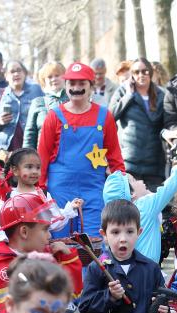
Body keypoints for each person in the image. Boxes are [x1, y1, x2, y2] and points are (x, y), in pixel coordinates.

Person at [37, 62, 125, 237]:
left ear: (91, 86)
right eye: (72, 83)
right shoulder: (54, 116)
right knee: (61, 242)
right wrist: (38, 190)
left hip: (93, 189)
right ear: (66, 86)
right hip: (60, 190)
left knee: (93, 242)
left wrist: (122, 188)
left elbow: (115, 156)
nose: (76, 87)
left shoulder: (105, 116)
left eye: (82, 83)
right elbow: (42, 156)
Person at [0, 193, 83, 313]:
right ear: (24, 232)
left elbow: (70, 296)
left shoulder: (48, 259)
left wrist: (69, 259)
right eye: (45, 229)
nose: (49, 235)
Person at [102, 143, 177, 263]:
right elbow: (168, 188)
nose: (141, 181)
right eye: (134, 180)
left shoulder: (115, 216)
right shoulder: (144, 206)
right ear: (132, 194)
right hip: (147, 270)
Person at [0, 148, 82, 243]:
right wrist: (4, 241)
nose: (35, 171)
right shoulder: (8, 197)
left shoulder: (43, 195)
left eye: (38, 167)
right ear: (15, 170)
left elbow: (53, 222)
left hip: (40, 248)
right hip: (15, 249)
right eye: (29, 167)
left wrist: (70, 209)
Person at [109, 58, 168, 191]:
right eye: (136, 72)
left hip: (155, 163)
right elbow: (110, 116)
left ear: (150, 73)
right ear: (132, 75)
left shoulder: (161, 94)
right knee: (131, 206)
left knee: (154, 205)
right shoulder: (122, 91)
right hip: (130, 161)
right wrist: (129, 96)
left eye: (145, 71)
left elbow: (169, 121)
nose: (141, 75)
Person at [0, 60, 44, 153]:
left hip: (31, 146)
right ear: (6, 76)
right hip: (4, 149)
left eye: (19, 70)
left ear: (24, 73)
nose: (16, 74)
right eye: (12, 72)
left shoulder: (36, 90)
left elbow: (46, 113)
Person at [24, 62, 69, 149]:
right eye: (50, 77)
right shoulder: (38, 102)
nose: (54, 79)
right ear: (44, 80)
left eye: (57, 75)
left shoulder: (74, 100)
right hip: (44, 155)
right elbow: (30, 135)